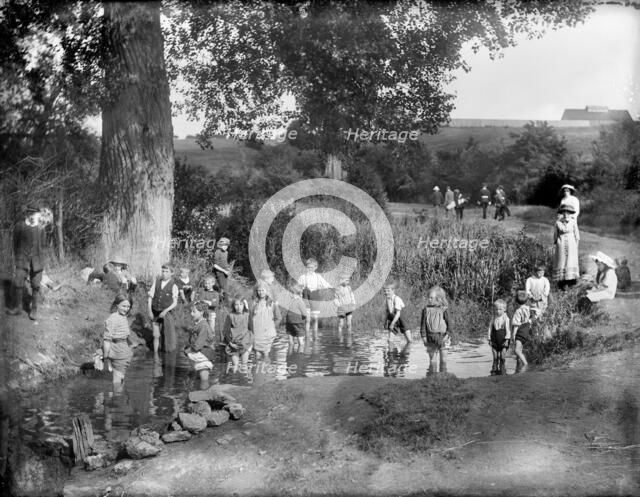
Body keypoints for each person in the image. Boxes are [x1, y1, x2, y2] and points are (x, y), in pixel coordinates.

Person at [6, 204, 47, 321]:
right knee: (18, 282)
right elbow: (15, 244)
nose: (33, 216)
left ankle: (34, 309)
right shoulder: (19, 226)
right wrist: (17, 258)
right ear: (27, 214)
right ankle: (17, 308)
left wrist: (42, 261)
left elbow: (43, 246)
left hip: (37, 262)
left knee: (36, 285)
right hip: (22, 259)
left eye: (35, 214)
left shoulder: (41, 228)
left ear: (38, 215)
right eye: (31, 214)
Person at [101, 294, 134, 385]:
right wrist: (106, 357)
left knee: (121, 377)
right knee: (117, 380)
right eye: (123, 306)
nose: (126, 309)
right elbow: (107, 339)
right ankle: (117, 396)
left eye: (128, 307)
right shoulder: (113, 319)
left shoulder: (123, 317)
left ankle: (116, 395)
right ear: (117, 305)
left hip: (123, 350)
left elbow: (124, 335)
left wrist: (130, 348)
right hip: (118, 352)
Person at [183, 300, 216, 389]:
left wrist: (189, 350)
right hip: (201, 353)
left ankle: (204, 394)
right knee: (198, 376)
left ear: (201, 312)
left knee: (204, 379)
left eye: (194, 312)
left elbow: (199, 344)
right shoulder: (199, 324)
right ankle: (197, 389)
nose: (191, 314)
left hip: (205, 354)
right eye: (191, 311)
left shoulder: (203, 326)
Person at [147, 263, 179, 354]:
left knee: (167, 333)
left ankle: (167, 351)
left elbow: (174, 303)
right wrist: (149, 310)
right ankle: (156, 353)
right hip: (155, 310)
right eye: (163, 271)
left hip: (166, 312)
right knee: (155, 335)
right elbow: (150, 297)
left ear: (171, 273)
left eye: (166, 271)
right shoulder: (156, 282)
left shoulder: (174, 286)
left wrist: (165, 311)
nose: (164, 273)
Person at [420, 286, 452, 374]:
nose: (429, 299)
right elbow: (423, 325)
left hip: (443, 337)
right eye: (428, 297)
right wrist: (423, 337)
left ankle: (443, 379)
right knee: (432, 361)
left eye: (431, 298)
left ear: (438, 299)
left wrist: (447, 336)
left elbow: (450, 326)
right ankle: (432, 377)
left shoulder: (444, 309)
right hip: (430, 337)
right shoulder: (425, 310)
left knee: (443, 361)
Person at [297, 258, 332, 338]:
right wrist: (298, 295)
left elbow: (325, 284)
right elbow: (298, 288)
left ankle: (315, 336)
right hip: (305, 297)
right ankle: (307, 336)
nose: (310, 269)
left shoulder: (318, 277)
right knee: (307, 319)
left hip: (315, 298)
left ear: (315, 267)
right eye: (308, 267)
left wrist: (332, 287)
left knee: (315, 319)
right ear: (306, 267)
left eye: (312, 267)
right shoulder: (303, 277)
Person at [250, 282, 281, 361]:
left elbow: (279, 317)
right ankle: (258, 371)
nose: (261, 292)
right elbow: (250, 317)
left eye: (263, 290)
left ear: (267, 291)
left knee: (265, 353)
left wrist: (273, 327)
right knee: (257, 354)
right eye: (259, 290)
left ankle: (267, 371)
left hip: (267, 333)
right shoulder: (254, 303)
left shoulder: (272, 303)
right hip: (257, 333)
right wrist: (251, 330)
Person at [553, 205, 580, 290]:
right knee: (561, 261)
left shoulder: (573, 222)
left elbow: (577, 235)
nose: (566, 215)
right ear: (562, 213)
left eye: (568, 213)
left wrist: (576, 246)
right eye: (564, 212)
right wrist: (556, 244)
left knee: (571, 262)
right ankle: (562, 283)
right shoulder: (558, 223)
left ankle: (571, 282)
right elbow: (555, 236)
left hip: (572, 244)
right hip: (561, 244)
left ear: (570, 214)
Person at [223, 297, 253, 373]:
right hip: (233, 343)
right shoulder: (230, 316)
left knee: (244, 364)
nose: (239, 307)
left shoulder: (247, 315)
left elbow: (251, 330)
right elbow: (225, 331)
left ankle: (244, 381)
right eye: (236, 305)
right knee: (235, 365)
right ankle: (235, 381)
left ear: (244, 306)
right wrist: (230, 343)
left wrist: (250, 344)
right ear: (233, 306)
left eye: (241, 304)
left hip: (245, 343)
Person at [488, 299, 510, 375]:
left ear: (504, 309)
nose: (498, 311)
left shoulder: (506, 318)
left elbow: (508, 330)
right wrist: (489, 338)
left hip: (503, 339)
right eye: (496, 309)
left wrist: (507, 340)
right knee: (495, 357)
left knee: (502, 357)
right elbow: (490, 328)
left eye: (500, 309)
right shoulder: (493, 318)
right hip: (494, 339)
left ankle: (502, 369)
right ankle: (494, 370)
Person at [195, 274, 220, 343]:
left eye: (208, 283)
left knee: (211, 328)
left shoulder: (215, 294)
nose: (206, 285)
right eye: (205, 283)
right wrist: (207, 302)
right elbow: (200, 301)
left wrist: (210, 303)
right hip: (203, 313)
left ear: (213, 283)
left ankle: (211, 342)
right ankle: (200, 341)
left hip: (211, 313)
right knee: (202, 327)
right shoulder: (203, 292)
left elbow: (216, 304)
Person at [511, 291, 531, 370]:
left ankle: (525, 364)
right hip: (526, 331)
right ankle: (518, 365)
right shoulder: (528, 309)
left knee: (517, 350)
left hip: (520, 332)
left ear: (516, 302)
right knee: (520, 349)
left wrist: (513, 336)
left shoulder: (518, 311)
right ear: (526, 301)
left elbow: (516, 325)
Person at [284, 283, 308, 349]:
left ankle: (295, 354)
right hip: (294, 322)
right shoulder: (295, 301)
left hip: (294, 322)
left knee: (295, 340)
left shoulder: (294, 301)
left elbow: (304, 313)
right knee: (295, 341)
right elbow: (304, 313)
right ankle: (296, 355)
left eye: (291, 293)